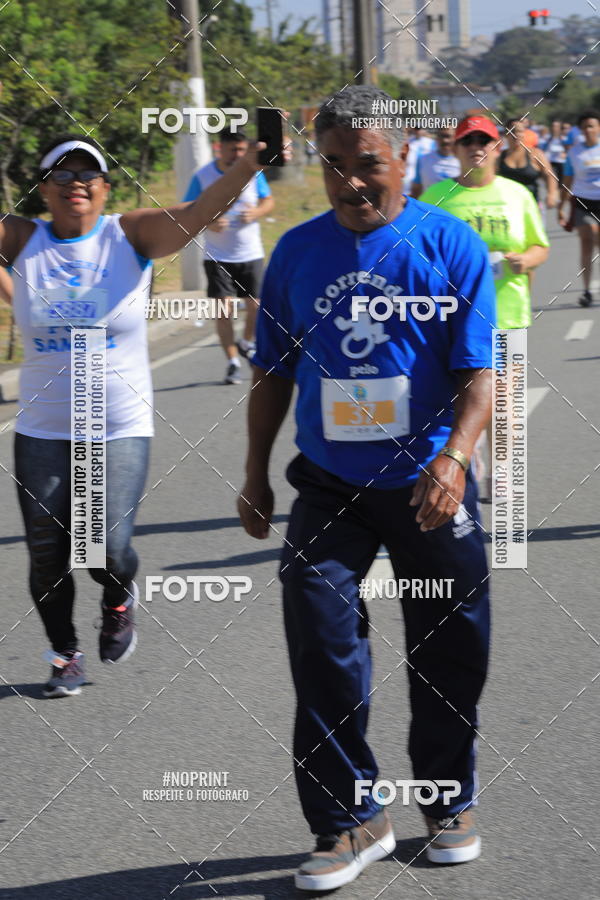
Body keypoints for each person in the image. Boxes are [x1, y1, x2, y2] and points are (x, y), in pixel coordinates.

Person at [238, 85, 496, 892]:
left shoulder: (449, 244)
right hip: (328, 486)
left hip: (430, 483)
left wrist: (455, 457)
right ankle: (350, 817)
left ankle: (446, 797)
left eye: (369, 165)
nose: (352, 183)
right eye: (336, 167)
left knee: (451, 646)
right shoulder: (296, 253)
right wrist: (253, 473)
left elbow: (480, 371)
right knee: (321, 646)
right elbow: (272, 371)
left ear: (405, 159)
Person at [1, 133, 263, 697]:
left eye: (88, 175)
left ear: (104, 188)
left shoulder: (128, 234)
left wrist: (249, 165)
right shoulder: (22, 239)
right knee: (48, 553)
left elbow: (198, 212)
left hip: (114, 423)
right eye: (63, 175)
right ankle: (64, 655)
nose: (76, 184)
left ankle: (118, 597)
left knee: (104, 548)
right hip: (42, 426)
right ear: (43, 188)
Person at [421, 115, 549, 498]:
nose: (476, 147)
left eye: (485, 141)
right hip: (450, 316)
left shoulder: (516, 195)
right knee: (456, 398)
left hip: (506, 312)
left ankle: (502, 476)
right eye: (467, 141)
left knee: (506, 402)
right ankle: (464, 460)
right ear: (455, 149)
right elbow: (416, 254)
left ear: (496, 148)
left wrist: (525, 261)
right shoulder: (435, 197)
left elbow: (539, 246)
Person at [183, 128, 274, 384]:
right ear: (219, 147)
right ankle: (232, 362)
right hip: (217, 256)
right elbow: (188, 210)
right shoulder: (203, 176)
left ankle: (246, 341)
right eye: (233, 149)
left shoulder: (253, 172)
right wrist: (208, 222)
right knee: (224, 310)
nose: (238, 155)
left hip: (250, 252)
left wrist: (256, 213)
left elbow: (268, 201)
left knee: (255, 307)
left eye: (242, 150)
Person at [558, 110, 600, 307]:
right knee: (587, 240)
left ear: (598, 127)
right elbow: (567, 180)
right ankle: (586, 291)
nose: (589, 130)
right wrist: (561, 205)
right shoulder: (574, 153)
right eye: (585, 127)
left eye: (592, 126)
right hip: (583, 201)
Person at [499, 118, 558, 207]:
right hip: (507, 206)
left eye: (520, 131)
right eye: (513, 131)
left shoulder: (536, 154)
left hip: (532, 206)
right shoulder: (499, 157)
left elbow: (549, 175)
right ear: (506, 134)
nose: (516, 135)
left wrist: (551, 194)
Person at [411, 126, 460, 198]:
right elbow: (416, 188)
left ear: (455, 138)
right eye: (442, 136)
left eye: (448, 136)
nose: (445, 140)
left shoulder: (462, 161)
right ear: (436, 138)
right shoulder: (423, 159)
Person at [402, 127, 436, 194]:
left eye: (420, 128)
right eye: (416, 128)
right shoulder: (409, 142)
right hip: (408, 183)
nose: (418, 131)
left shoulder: (431, 143)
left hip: (426, 182)